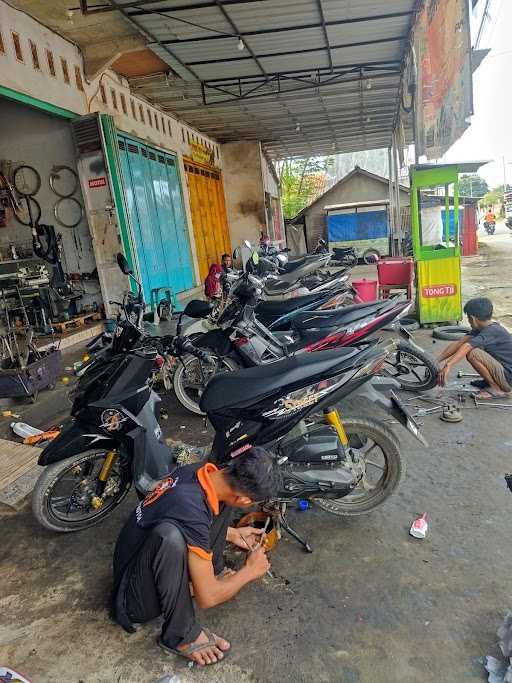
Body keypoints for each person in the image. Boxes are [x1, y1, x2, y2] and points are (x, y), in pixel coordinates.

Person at [111, 448, 281, 667]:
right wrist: (249, 571)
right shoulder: (190, 507)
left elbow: (190, 519)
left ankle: (211, 572)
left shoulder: (203, 473)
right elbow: (207, 599)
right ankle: (181, 635)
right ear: (245, 499)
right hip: (131, 598)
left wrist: (234, 534)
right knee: (169, 537)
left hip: (142, 558)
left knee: (221, 504)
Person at [437, 297, 512, 399]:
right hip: (503, 372)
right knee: (473, 348)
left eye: (468, 318)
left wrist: (448, 365)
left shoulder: (493, 331)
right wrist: (436, 361)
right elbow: (460, 343)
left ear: (472, 318)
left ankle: (497, 389)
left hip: (508, 378)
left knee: (473, 353)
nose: (468, 321)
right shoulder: (481, 328)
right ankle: (489, 382)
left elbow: (467, 346)